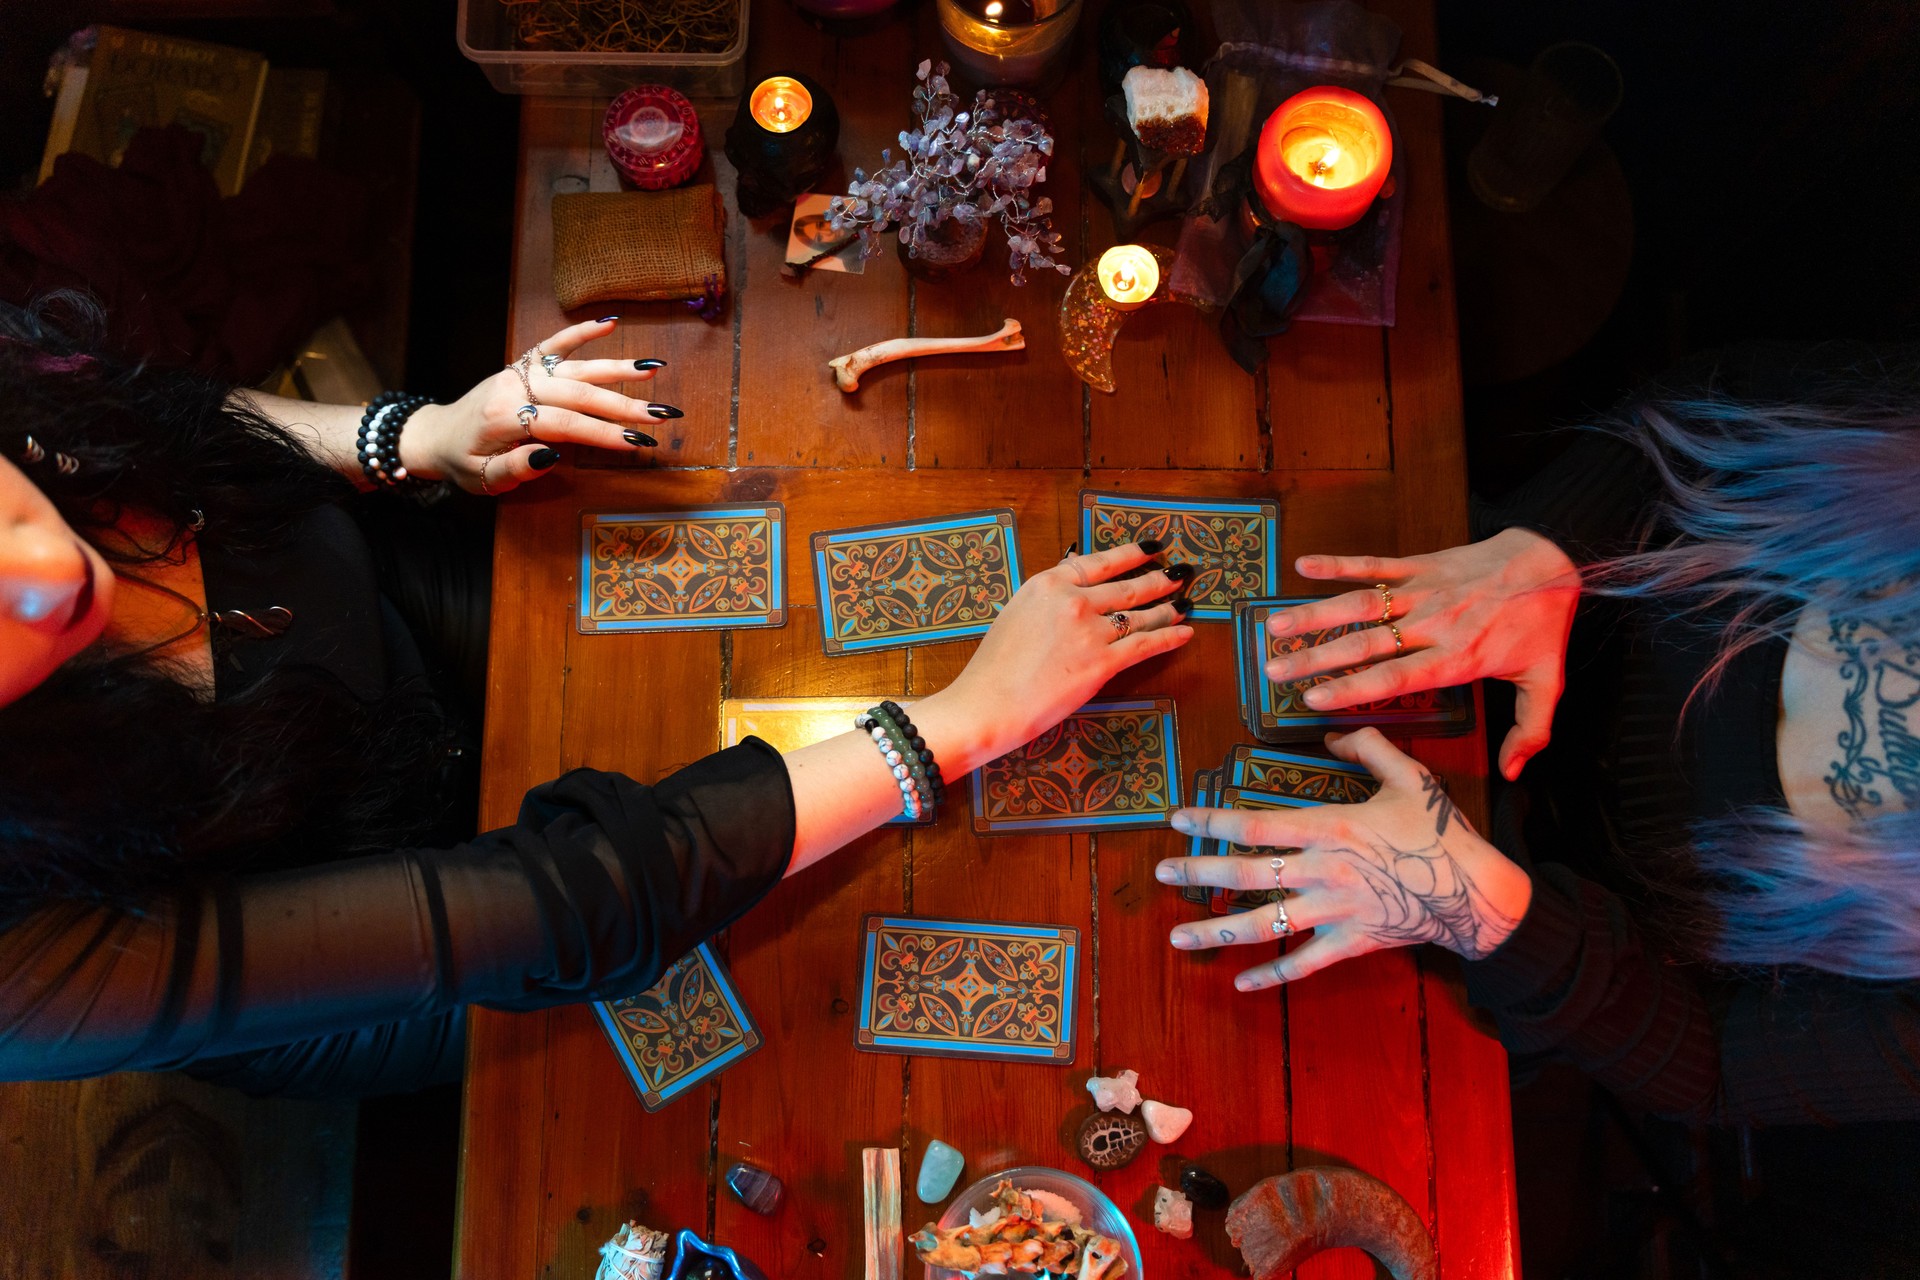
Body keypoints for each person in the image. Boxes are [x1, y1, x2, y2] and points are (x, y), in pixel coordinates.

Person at [0, 293, 1196, 1097]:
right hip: (353, 926)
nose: (49, 572)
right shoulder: (23, 965)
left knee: (692, 692)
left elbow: (159, 420)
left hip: (365, 603)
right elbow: (559, 906)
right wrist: (967, 719)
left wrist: (414, 436)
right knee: (763, 978)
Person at [1156, 342, 1920, 1126]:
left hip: (1484, 926)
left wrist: (1490, 914)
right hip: (1445, 592)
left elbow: (1713, 1073)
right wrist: (1553, 551)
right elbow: (1719, 399)